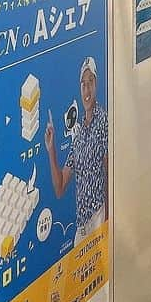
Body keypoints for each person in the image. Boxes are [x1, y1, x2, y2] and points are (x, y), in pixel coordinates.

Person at [45, 55, 108, 245]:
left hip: (99, 216)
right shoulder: (78, 134)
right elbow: (60, 187)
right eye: (83, 84)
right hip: (81, 226)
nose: (87, 89)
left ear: (96, 85)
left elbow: (109, 171)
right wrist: (51, 149)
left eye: (91, 83)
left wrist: (108, 219)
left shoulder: (104, 121)